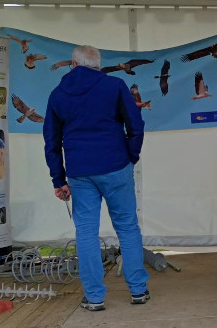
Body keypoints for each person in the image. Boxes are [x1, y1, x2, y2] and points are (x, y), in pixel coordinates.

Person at [43, 45, 148, 312]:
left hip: (79, 172)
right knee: (127, 227)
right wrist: (130, 156)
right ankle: (138, 290)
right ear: (98, 65)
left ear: (74, 65)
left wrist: (58, 179)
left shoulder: (57, 94)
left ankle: (94, 297)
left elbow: (51, 141)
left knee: (86, 233)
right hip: (115, 166)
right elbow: (135, 125)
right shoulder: (114, 85)